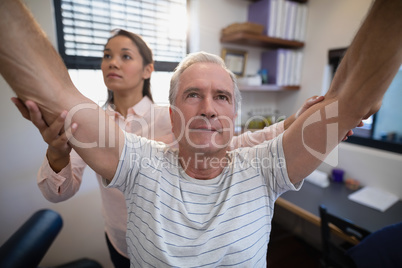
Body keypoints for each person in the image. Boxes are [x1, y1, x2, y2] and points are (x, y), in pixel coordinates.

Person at [1, 0, 401, 266]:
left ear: (235, 114)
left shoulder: (263, 167)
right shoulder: (140, 160)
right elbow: (54, 93)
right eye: (193, 94)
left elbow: (347, 103)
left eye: (223, 97)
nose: (209, 108)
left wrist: (298, 124)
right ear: (171, 115)